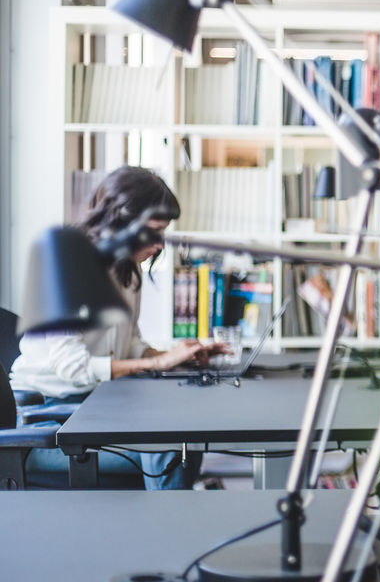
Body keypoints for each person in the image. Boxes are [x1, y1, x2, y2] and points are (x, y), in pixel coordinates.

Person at [11, 166, 224, 489]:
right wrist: (155, 363)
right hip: (47, 419)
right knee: (168, 447)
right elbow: (73, 367)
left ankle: (172, 519)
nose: (160, 245)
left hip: (96, 405)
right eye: (153, 231)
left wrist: (173, 356)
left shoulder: (125, 271)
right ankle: (170, 533)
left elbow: (129, 344)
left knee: (184, 434)